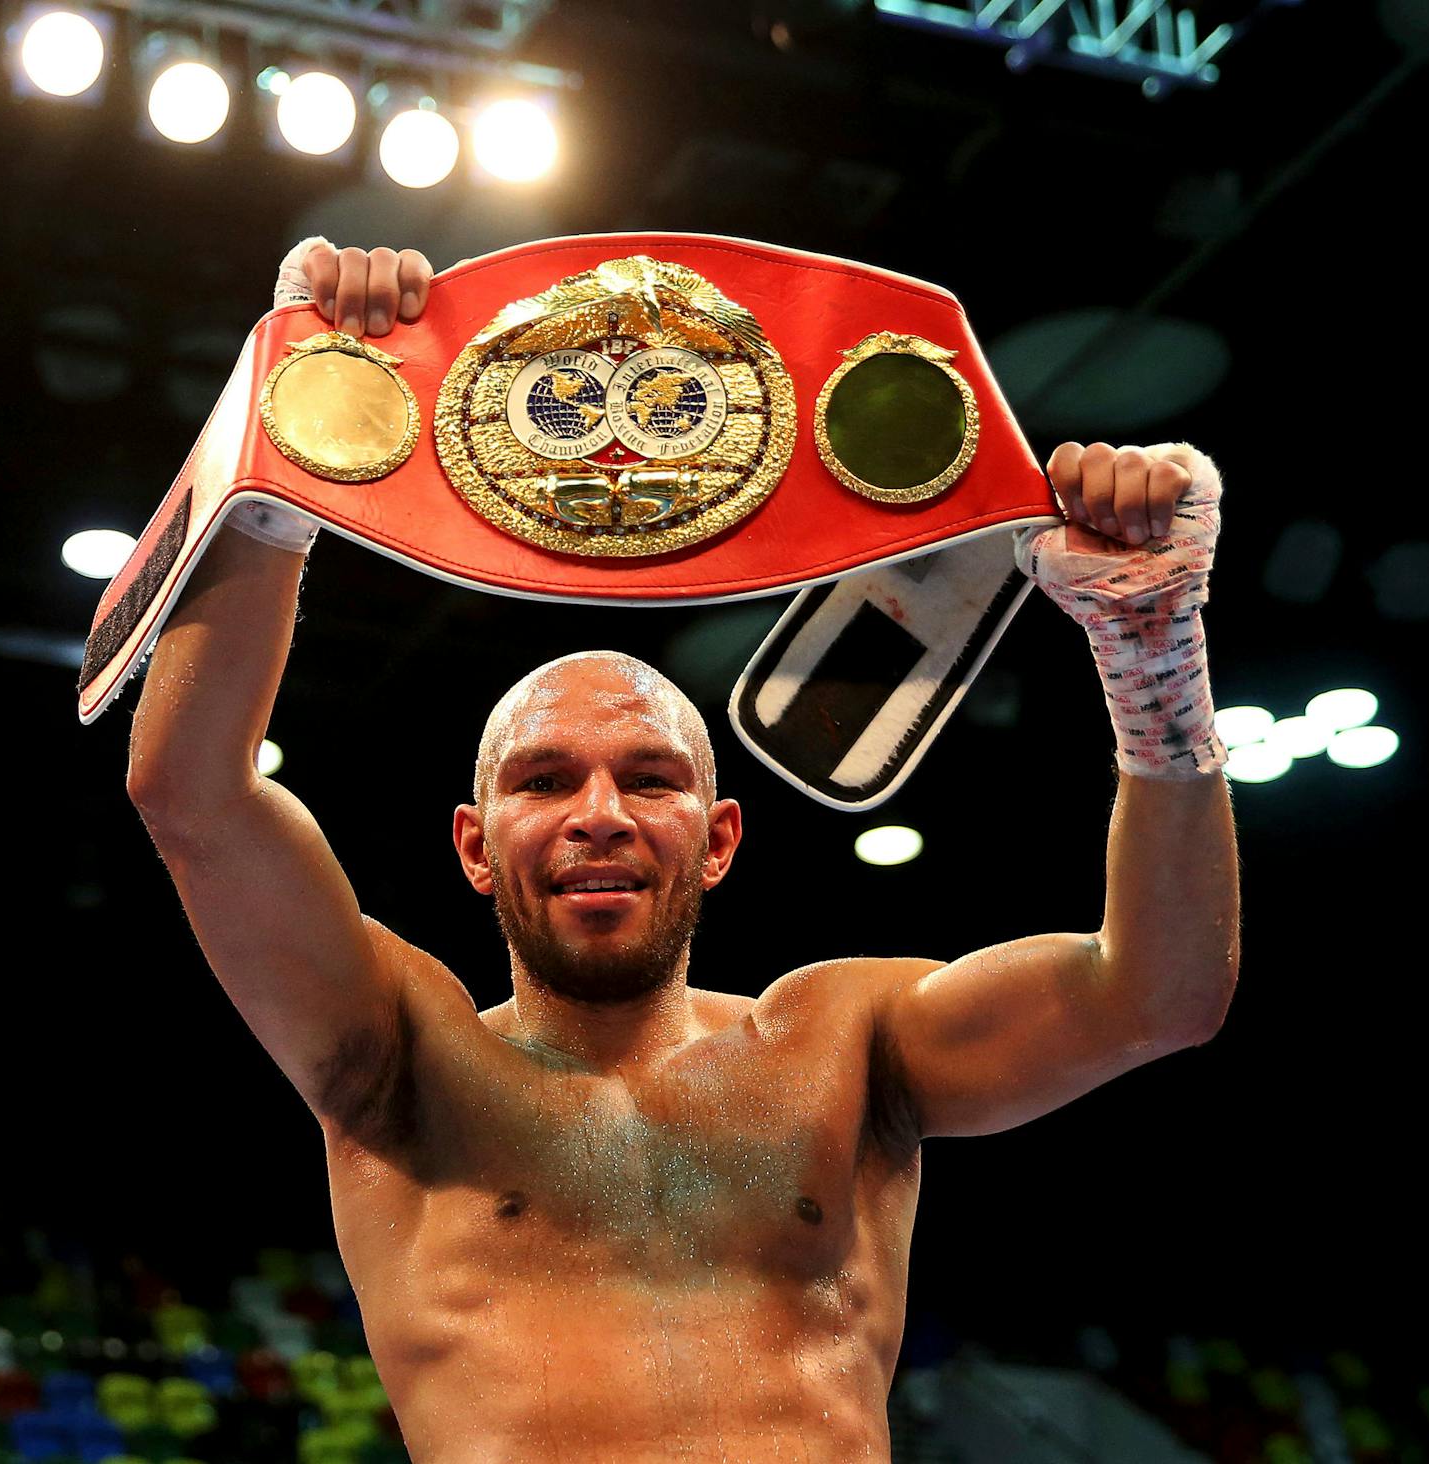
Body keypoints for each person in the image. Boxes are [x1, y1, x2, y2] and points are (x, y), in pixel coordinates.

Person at [123, 240, 1241, 1462]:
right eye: (544, 780)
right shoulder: (401, 1058)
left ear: (716, 843)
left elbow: (1160, 995)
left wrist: (1152, 658)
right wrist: (292, 449)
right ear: (475, 846)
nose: (598, 811)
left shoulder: (846, 1043)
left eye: (647, 779)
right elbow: (192, 798)